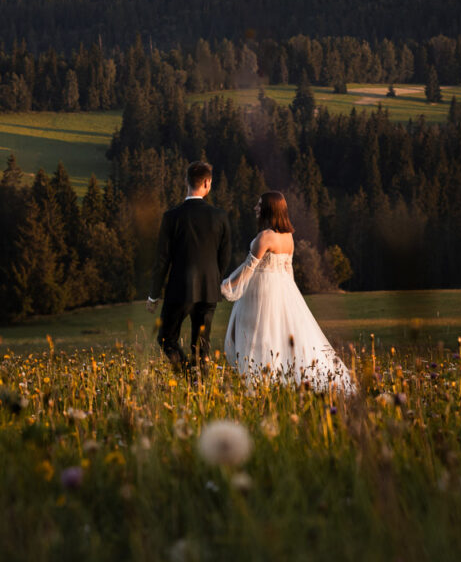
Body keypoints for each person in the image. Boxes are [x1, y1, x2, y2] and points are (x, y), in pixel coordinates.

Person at [220, 191, 356, 395]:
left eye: (259, 205)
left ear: (269, 209)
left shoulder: (265, 237)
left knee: (258, 335)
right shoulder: (288, 237)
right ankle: (277, 378)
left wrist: (226, 285)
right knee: (278, 334)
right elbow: (287, 270)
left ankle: (259, 381)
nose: (256, 208)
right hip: (282, 289)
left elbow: (248, 268)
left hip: (262, 291)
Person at [147, 161, 231, 375]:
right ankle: (199, 385)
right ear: (207, 182)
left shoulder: (171, 217)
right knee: (201, 347)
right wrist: (215, 279)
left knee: (166, 339)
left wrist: (153, 295)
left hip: (179, 289)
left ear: (186, 182)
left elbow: (162, 259)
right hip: (209, 290)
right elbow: (225, 255)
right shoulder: (220, 217)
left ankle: (187, 376)